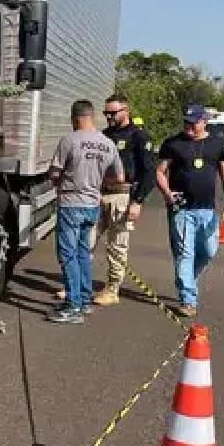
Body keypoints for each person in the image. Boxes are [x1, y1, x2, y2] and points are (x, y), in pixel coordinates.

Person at [156, 103, 224, 317]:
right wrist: (167, 193)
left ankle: (187, 279)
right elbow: (159, 171)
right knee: (185, 253)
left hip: (207, 209)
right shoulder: (173, 144)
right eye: (186, 122)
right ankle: (188, 299)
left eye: (193, 123)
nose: (189, 126)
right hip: (181, 209)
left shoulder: (218, 144)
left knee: (209, 251)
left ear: (204, 122)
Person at [46, 100, 125, 325]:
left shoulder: (69, 140)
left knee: (68, 254)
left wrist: (58, 179)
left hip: (71, 203)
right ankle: (85, 299)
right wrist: (98, 180)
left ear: (75, 118)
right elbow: (119, 177)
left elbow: (54, 173)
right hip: (92, 205)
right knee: (83, 253)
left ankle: (73, 305)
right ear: (92, 117)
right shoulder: (108, 143)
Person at [90, 93, 156, 306]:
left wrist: (137, 201)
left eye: (112, 113)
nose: (108, 116)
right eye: (105, 113)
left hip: (123, 195)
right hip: (100, 193)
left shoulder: (139, 136)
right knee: (86, 240)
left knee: (117, 245)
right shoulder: (104, 135)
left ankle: (112, 288)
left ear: (125, 111)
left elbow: (149, 172)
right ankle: (78, 283)